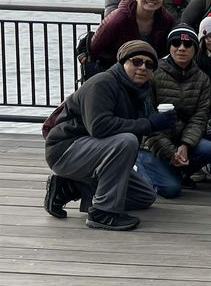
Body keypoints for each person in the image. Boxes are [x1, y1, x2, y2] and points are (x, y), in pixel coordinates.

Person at [44, 40, 174, 230]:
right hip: (65, 149)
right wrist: (149, 123)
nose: (142, 68)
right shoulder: (103, 82)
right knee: (127, 140)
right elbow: (99, 127)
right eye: (136, 61)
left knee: (144, 197)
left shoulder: (139, 91)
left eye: (149, 64)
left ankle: (69, 187)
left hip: (94, 151)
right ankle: (102, 213)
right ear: (123, 62)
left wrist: (160, 124)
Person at [138, 25, 211, 198]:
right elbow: (147, 119)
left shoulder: (202, 79)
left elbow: (199, 117)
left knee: (210, 149)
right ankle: (149, 168)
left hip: (180, 140)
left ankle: (176, 172)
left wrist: (185, 145)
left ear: (195, 49)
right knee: (171, 190)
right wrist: (170, 152)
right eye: (176, 43)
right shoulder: (152, 74)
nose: (182, 48)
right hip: (151, 144)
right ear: (169, 47)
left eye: (188, 44)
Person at [90, 0, 176, 67]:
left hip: (148, 69)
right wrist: (121, 63)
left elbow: (166, 50)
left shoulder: (167, 20)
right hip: (116, 69)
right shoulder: (119, 17)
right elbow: (95, 46)